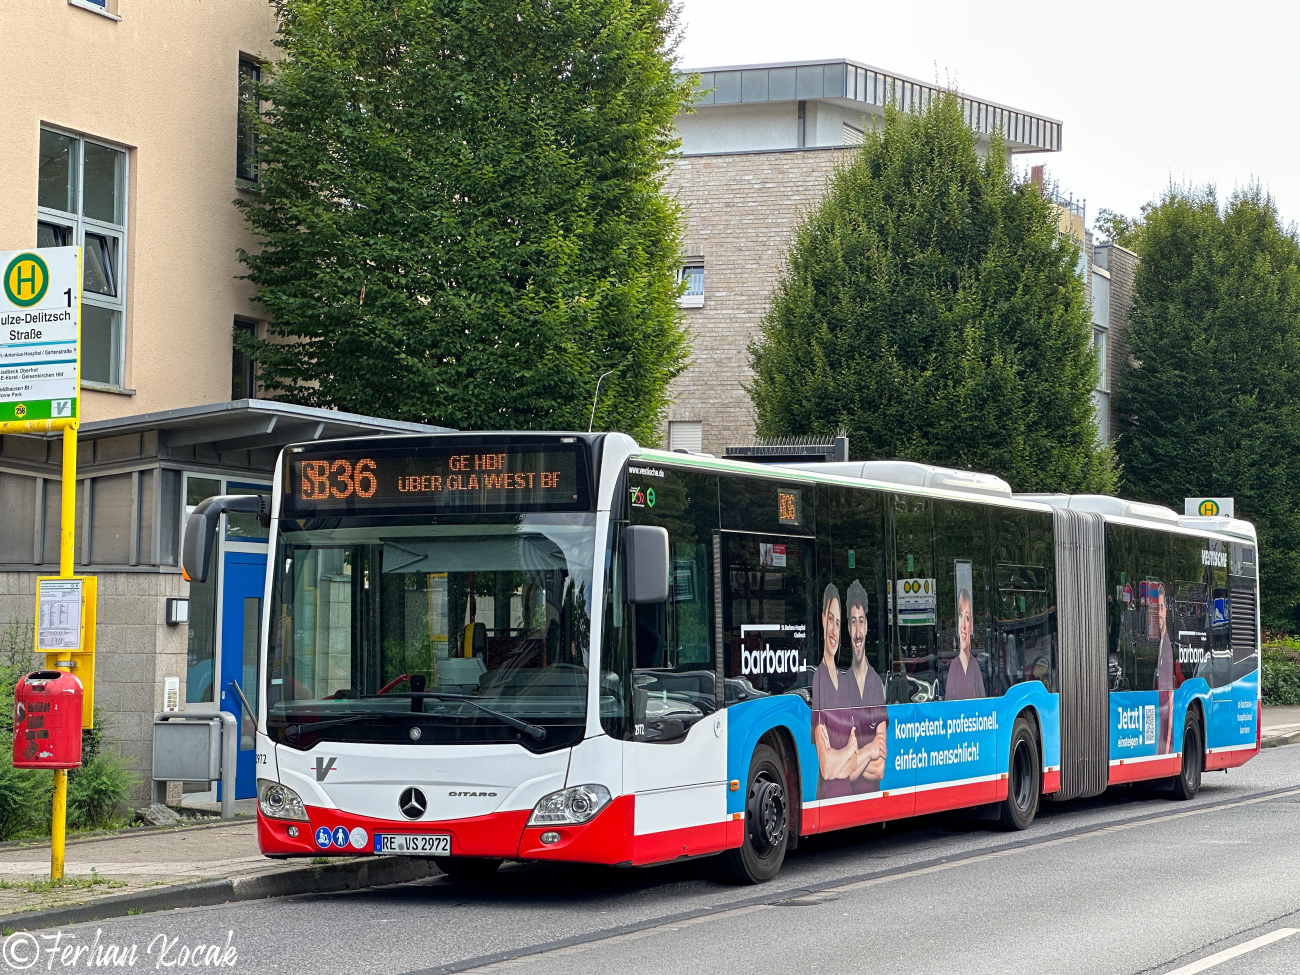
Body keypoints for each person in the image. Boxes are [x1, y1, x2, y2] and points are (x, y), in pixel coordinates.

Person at [812, 583, 856, 800]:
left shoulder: (843, 681)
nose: (833, 630)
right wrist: (847, 751)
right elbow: (827, 768)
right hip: (827, 799)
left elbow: (854, 761)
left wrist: (841, 755)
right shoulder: (817, 679)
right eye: (830, 619)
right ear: (822, 619)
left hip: (847, 796)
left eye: (838, 624)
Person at [843, 580, 887, 793]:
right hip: (846, 800)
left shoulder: (876, 685)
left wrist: (857, 757)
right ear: (848, 628)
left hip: (875, 802)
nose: (858, 632)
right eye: (853, 622)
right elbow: (843, 771)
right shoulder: (841, 688)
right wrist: (871, 750)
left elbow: (879, 769)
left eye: (861, 621)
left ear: (867, 626)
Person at [944, 587, 985, 701]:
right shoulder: (954, 667)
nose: (963, 625)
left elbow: (983, 702)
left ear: (971, 625)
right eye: (961, 616)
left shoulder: (975, 666)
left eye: (967, 618)